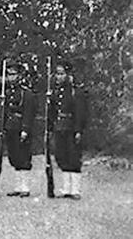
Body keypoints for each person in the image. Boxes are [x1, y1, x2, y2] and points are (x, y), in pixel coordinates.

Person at [48, 59, 89, 199]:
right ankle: (66, 189)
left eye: (62, 74)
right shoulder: (55, 91)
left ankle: (75, 190)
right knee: (61, 156)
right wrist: (51, 127)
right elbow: (52, 112)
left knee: (73, 157)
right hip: (59, 127)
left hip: (71, 127)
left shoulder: (75, 91)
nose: (59, 77)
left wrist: (78, 130)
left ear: (68, 74)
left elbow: (80, 112)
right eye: (57, 74)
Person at [2, 61, 36, 197]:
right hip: (10, 127)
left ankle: (25, 187)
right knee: (14, 156)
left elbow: (29, 112)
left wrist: (25, 129)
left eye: (13, 74)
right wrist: (3, 127)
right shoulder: (6, 92)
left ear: (19, 76)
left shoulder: (26, 93)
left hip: (20, 127)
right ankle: (18, 187)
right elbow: (4, 112)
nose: (11, 77)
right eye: (9, 75)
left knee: (24, 157)